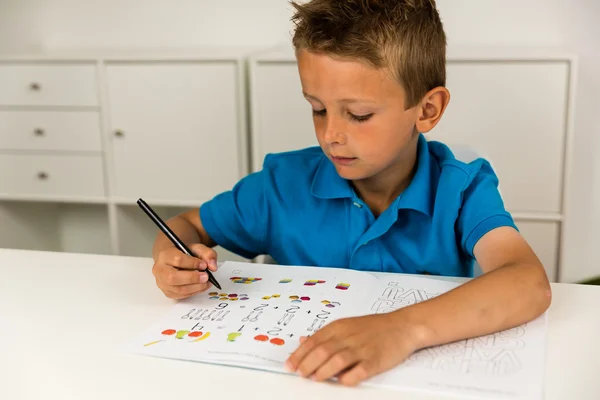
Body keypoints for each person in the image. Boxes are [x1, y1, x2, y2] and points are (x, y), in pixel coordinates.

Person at [151, 0, 551, 387]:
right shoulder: (281, 185)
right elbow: (185, 226)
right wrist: (174, 259)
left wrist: (400, 330)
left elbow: (527, 281)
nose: (331, 135)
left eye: (358, 115)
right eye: (317, 108)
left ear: (427, 110)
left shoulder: (462, 189)